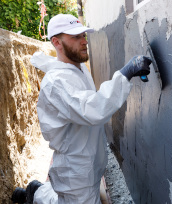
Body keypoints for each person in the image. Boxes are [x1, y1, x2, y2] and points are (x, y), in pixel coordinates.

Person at [11, 14, 151, 204]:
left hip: (91, 159)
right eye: (75, 37)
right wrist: (125, 74)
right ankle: (36, 194)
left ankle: (37, 191)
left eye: (83, 35)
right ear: (56, 42)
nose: (84, 41)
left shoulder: (78, 68)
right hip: (75, 169)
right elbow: (92, 109)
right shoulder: (56, 82)